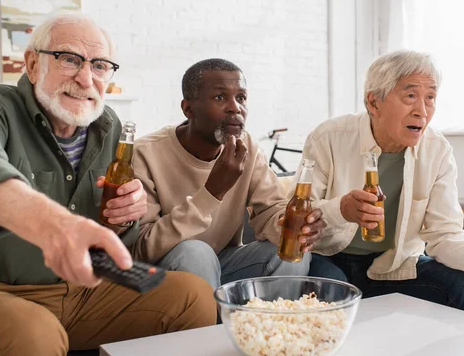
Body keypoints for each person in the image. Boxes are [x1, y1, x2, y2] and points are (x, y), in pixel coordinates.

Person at [0, 13, 215, 356]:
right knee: (34, 336)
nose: (86, 78)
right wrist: (52, 222)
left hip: (81, 294)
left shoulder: (108, 126)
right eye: (69, 59)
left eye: (100, 65)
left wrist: (124, 217)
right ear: (32, 63)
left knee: (193, 295)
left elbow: (111, 232)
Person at [303, 50, 464, 318]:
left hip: (394, 264)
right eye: (410, 96)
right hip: (328, 258)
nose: (422, 110)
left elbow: (444, 234)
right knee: (332, 299)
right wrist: (342, 209)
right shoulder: (328, 138)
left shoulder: (437, 151)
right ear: (374, 103)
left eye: (430, 98)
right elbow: (299, 218)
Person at [132, 58, 340, 289]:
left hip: (224, 262)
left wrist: (293, 226)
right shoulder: (146, 153)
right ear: (188, 108)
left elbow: (270, 211)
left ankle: (277, 323)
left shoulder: (247, 147)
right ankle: (206, 325)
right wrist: (211, 193)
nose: (235, 107)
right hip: (168, 272)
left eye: (241, 98)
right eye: (220, 97)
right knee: (195, 252)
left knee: (288, 248)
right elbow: (141, 248)